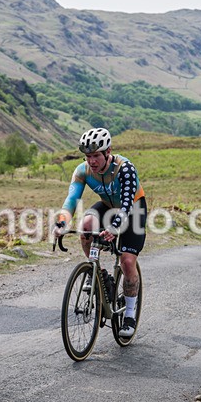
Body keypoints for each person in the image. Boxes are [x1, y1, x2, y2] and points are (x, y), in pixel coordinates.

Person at [54, 128, 147, 338]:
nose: (92, 161)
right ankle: (96, 271)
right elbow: (71, 201)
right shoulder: (82, 170)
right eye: (88, 156)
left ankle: (130, 313)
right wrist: (61, 223)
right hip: (107, 205)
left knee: (127, 261)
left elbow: (125, 207)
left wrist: (115, 228)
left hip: (132, 208)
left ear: (108, 152)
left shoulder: (125, 168)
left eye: (96, 155)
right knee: (86, 224)